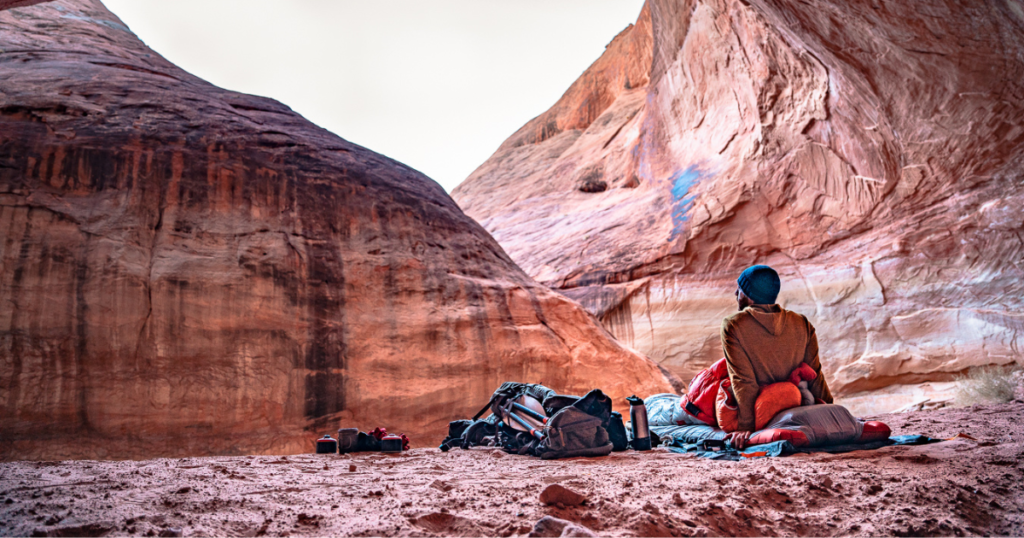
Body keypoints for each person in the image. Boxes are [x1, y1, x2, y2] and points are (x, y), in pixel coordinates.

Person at [722, 265, 833, 449]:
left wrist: (746, 428)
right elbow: (814, 374)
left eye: (740, 289)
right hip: (795, 404)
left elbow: (743, 380)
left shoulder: (733, 325)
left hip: (760, 413)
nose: (736, 293)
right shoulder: (801, 323)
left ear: (749, 294)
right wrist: (832, 412)